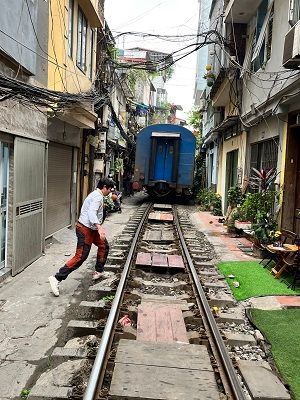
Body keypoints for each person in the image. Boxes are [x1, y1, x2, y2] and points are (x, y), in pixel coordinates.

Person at [48, 178, 115, 297]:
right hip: (85, 229)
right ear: (104, 187)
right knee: (80, 257)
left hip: (92, 229)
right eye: (110, 190)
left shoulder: (97, 195)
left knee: (104, 246)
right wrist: (99, 228)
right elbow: (91, 213)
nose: (110, 192)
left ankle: (99, 271)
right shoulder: (97, 197)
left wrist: (97, 228)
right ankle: (56, 278)